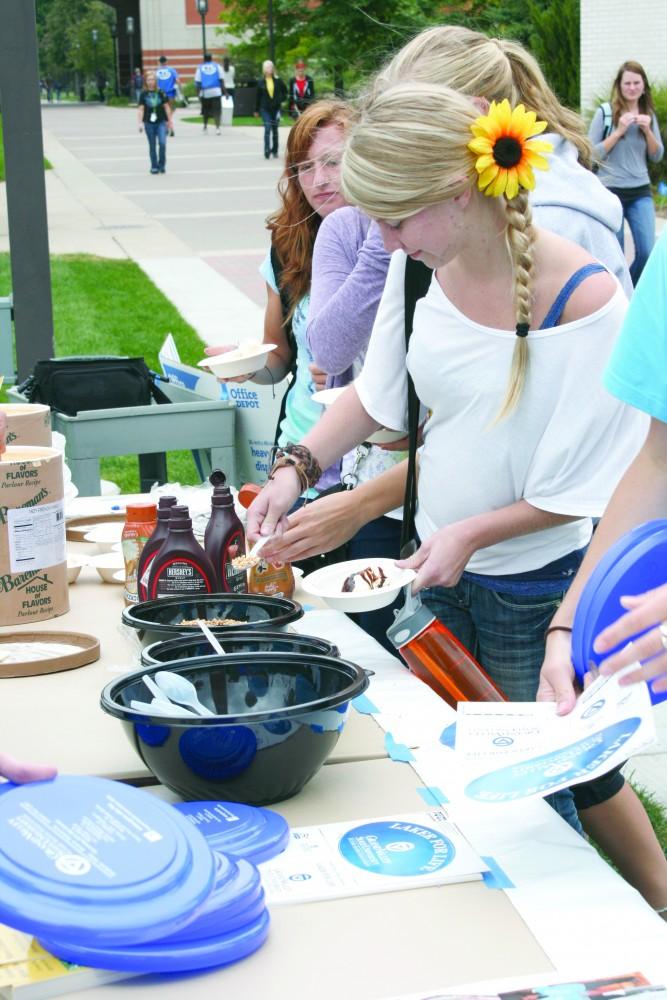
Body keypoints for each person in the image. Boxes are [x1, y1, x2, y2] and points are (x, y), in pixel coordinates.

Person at [248, 82, 648, 835]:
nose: (388, 242)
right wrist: (295, 468)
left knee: (535, 800)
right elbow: (374, 397)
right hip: (433, 567)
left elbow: (582, 492)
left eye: (395, 220)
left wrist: (468, 535)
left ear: (461, 190)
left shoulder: (588, 305)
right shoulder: (415, 267)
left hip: (532, 591)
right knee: (444, 771)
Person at [588, 60, 663, 286]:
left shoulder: (648, 114)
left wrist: (647, 131)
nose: (632, 88)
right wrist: (619, 131)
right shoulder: (606, 113)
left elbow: (657, 155)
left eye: (636, 83)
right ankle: (619, 297)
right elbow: (591, 153)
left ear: (643, 85)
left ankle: (628, 290)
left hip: (640, 191)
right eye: (627, 83)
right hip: (611, 192)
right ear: (619, 86)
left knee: (647, 252)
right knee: (615, 255)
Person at [137, 70, 173, 175]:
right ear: (146, 81)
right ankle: (154, 166)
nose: (150, 81)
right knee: (152, 145)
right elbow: (141, 109)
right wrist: (140, 123)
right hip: (149, 123)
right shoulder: (143, 94)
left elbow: (167, 107)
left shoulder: (161, 92)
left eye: (152, 79)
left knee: (162, 143)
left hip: (161, 121)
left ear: (156, 81)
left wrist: (170, 121)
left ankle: (162, 165)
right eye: (148, 79)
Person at [254, 60, 287, 159]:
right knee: (267, 128)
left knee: (275, 130)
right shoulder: (261, 82)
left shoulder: (278, 81)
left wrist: (280, 100)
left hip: (275, 109)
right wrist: (256, 110)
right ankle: (267, 150)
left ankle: (275, 150)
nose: (270, 69)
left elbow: (285, 92)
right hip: (265, 108)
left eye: (271, 67)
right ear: (264, 69)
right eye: (268, 67)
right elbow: (257, 97)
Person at [195, 53, 226, 134]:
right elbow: (221, 80)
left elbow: (198, 82)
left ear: (204, 59)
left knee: (206, 110)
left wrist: (198, 94)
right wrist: (225, 92)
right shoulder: (217, 66)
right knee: (217, 110)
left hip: (205, 92)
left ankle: (205, 126)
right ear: (211, 58)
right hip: (216, 91)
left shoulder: (200, 68)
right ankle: (217, 128)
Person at [156, 55, 179, 136]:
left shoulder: (157, 71)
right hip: (170, 93)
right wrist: (180, 91)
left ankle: (167, 127)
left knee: (164, 111)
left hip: (160, 94)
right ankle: (170, 126)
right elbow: (177, 81)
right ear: (166, 61)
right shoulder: (172, 70)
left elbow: (155, 84)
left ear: (159, 62)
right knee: (170, 110)